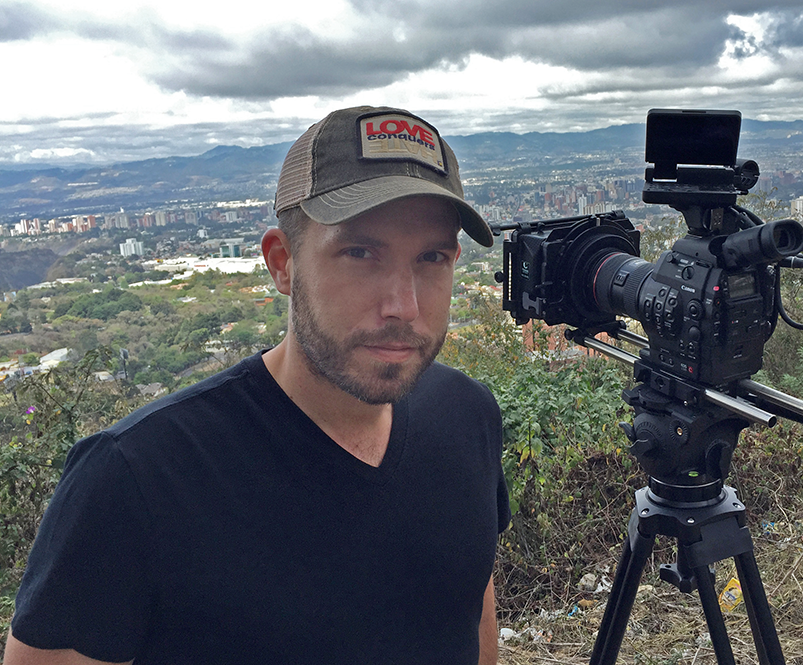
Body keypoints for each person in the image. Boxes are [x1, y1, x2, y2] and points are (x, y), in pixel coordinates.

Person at [4, 106, 510, 665]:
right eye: (360, 253)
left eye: (431, 257)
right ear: (282, 263)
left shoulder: (468, 416)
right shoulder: (137, 479)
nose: (403, 305)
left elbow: (469, 606)